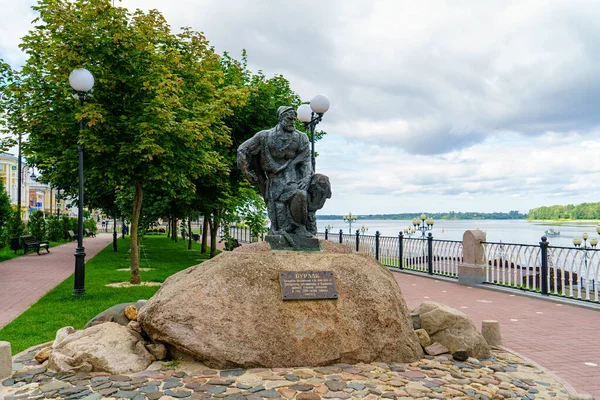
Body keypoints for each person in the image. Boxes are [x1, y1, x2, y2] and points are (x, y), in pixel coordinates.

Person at [237, 106, 331, 239]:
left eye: (294, 119)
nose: (293, 122)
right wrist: (246, 171)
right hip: (275, 180)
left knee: (301, 193)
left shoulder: (301, 138)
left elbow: (306, 162)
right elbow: (242, 150)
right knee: (295, 195)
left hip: (294, 177)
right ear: (280, 118)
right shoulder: (265, 136)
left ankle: (299, 228)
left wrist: (306, 179)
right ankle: (292, 228)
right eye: (289, 119)